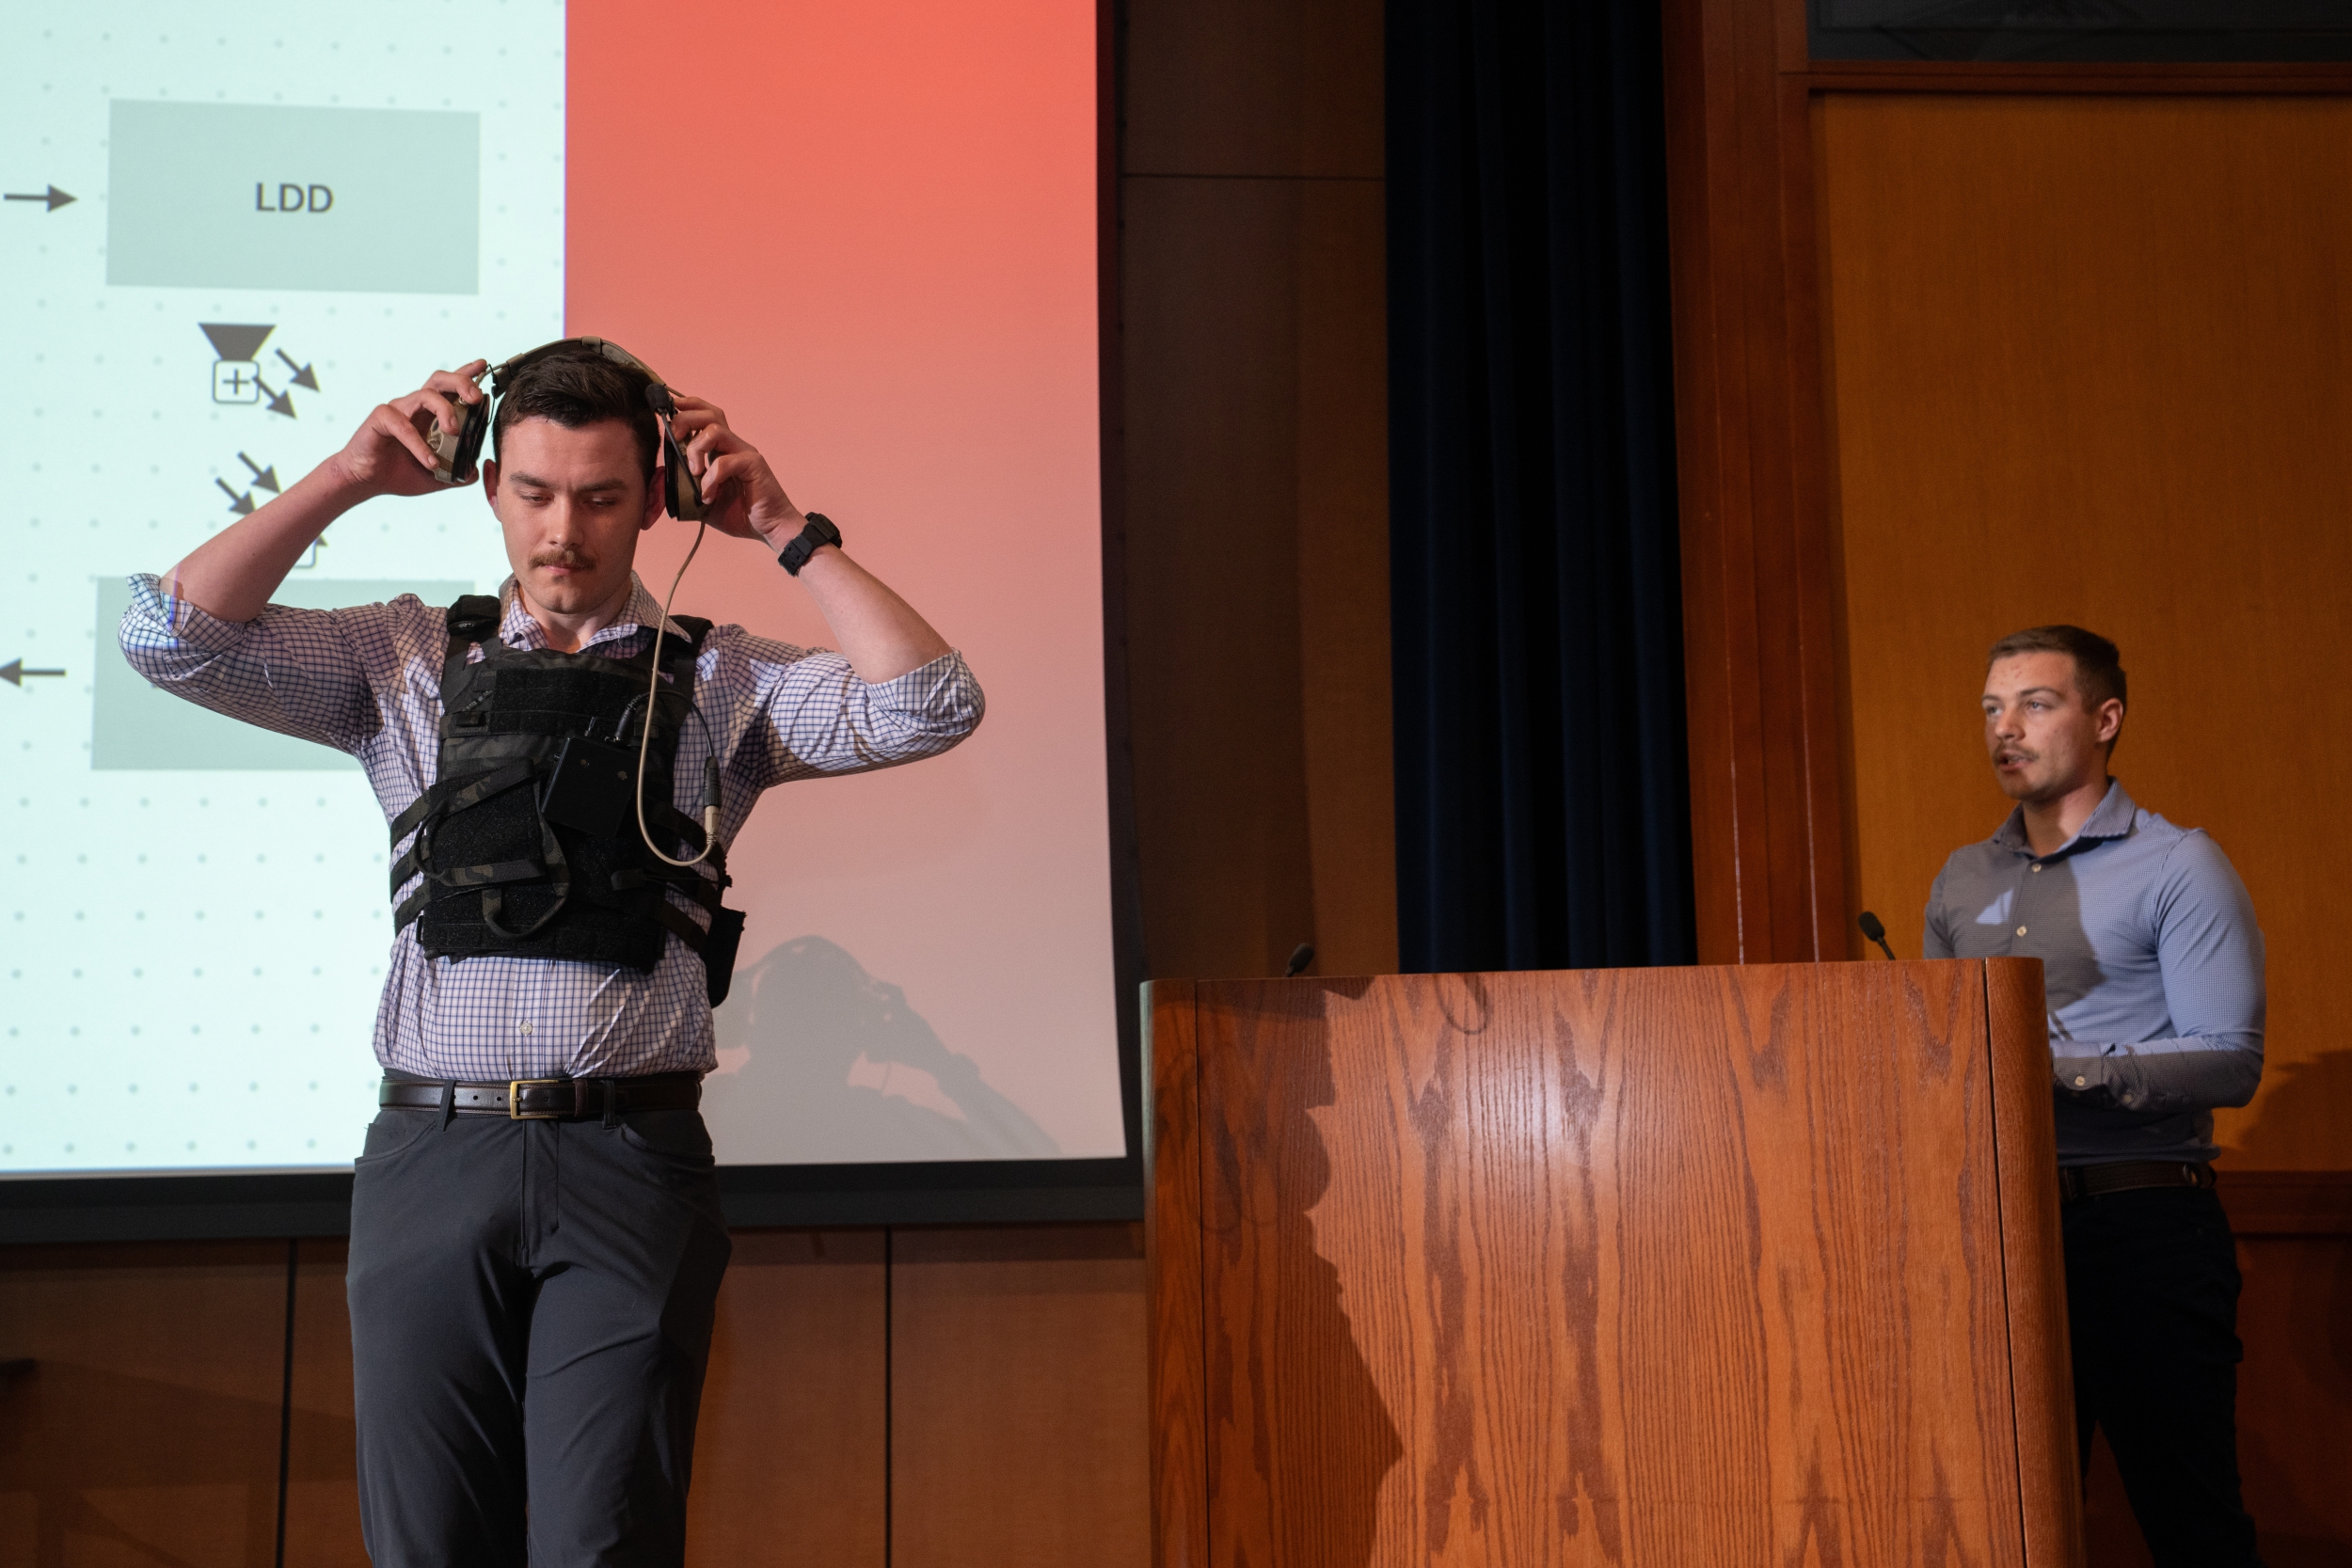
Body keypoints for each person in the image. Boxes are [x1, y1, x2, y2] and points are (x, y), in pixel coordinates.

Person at [119, 341, 984, 1566]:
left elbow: (930, 702)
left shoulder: (723, 678)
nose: (562, 529)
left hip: (627, 1159)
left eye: (598, 495)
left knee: (604, 1542)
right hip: (434, 1153)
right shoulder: (401, 660)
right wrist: (349, 471)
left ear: (658, 500)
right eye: (533, 491)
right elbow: (169, 637)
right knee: (427, 1545)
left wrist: (785, 526)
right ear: (490, 490)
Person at [1922, 625, 2264, 1567]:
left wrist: (2062, 1070)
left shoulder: (2177, 864)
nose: (2005, 727)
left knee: (2188, 1517)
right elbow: (1944, 1066)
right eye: (1992, 707)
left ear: (2105, 717)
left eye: (2035, 702)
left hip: (2143, 1224)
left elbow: (2228, 1060)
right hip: (1997, 1233)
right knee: (2007, 1525)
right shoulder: (1961, 878)